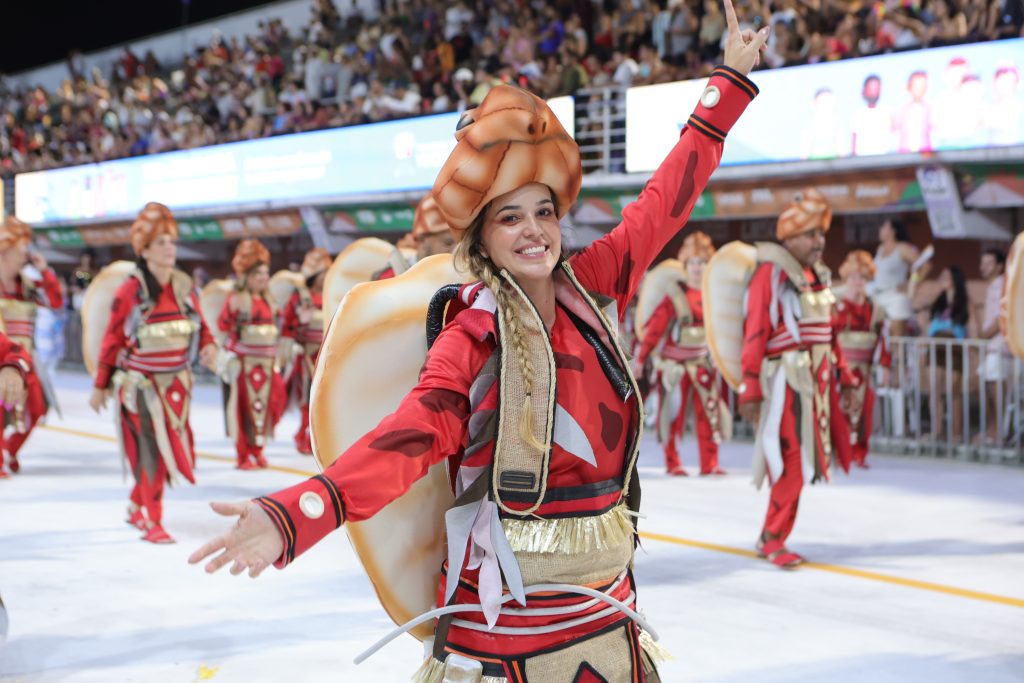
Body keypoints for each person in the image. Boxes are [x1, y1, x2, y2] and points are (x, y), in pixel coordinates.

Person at [190, 8, 767, 679]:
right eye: (510, 216)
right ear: (481, 238)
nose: (533, 231)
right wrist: (295, 515)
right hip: (507, 626)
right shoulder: (471, 329)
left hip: (610, 613)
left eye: (544, 211)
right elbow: (408, 437)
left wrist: (726, 81)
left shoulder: (594, 281)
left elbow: (667, 199)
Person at [736, 189, 859, 569]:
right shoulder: (771, 272)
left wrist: (847, 377)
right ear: (788, 236)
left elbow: (827, 334)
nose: (819, 241)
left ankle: (772, 534)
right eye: (810, 234)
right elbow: (756, 330)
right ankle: (773, 537)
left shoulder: (817, 274)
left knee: (801, 463)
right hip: (784, 385)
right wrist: (751, 384)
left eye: (821, 233)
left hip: (814, 386)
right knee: (789, 461)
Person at [88, 203, 218, 543]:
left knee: (167, 450)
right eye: (160, 242)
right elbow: (113, 338)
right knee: (152, 451)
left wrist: (209, 345)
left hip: (178, 384)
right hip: (142, 387)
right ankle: (152, 519)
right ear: (143, 249)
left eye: (172, 241)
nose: (169, 248)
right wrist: (100, 385)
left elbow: (202, 325)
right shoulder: (131, 290)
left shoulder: (184, 285)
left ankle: (136, 505)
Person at [636, 232, 729, 476]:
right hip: (674, 365)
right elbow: (655, 328)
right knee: (672, 415)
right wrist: (641, 359)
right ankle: (672, 461)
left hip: (702, 362)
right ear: (686, 266)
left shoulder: (714, 295)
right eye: (693, 263)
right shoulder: (675, 294)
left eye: (702, 262)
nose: (698, 267)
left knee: (709, 413)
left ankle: (710, 463)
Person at [0, 217, 64, 476]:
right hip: (1, 354)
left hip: (26, 357)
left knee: (37, 408)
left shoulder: (27, 284)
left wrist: (45, 271)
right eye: (19, 253)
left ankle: (9, 450)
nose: (23, 258)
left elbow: (56, 302)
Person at [218, 239, 286, 469]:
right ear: (247, 276)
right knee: (243, 410)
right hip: (244, 364)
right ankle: (243, 454)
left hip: (268, 363)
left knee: (271, 405)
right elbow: (223, 327)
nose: (263, 278)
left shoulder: (270, 300)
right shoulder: (236, 299)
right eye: (259, 274)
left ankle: (258, 449)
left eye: (266, 274)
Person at [832, 250, 891, 469]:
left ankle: (859, 452)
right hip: (840, 365)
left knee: (865, 409)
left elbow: (883, 338)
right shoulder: (835, 303)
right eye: (854, 277)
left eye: (863, 278)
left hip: (864, 369)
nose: (858, 282)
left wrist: (885, 365)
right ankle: (840, 451)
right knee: (839, 408)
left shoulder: (874, 308)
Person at [281, 247, 332, 455]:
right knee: (307, 400)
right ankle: (302, 435)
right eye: (323, 273)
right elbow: (288, 328)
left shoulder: (333, 295)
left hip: (326, 356)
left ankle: (315, 438)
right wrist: (301, 324)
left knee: (323, 401)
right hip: (306, 357)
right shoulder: (301, 297)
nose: (326, 277)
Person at [927, 265, 970, 441]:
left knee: (954, 390)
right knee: (934, 389)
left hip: (955, 347)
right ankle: (937, 431)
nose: (942, 279)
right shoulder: (938, 302)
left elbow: (971, 326)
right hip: (937, 347)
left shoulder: (965, 302)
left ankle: (957, 433)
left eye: (947, 276)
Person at [871, 218, 928, 338]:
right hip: (878, 295)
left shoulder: (903, 248)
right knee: (874, 333)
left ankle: (898, 356)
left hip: (896, 296)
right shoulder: (880, 249)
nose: (880, 230)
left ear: (893, 231)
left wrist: (911, 284)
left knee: (897, 338)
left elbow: (925, 266)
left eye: (884, 227)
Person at [976, 248, 1008, 445]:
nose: (983, 267)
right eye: (983, 263)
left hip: (1000, 346)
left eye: (988, 263)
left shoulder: (1003, 285)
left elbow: (1002, 315)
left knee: (997, 391)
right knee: (986, 388)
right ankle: (992, 430)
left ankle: (998, 433)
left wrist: (987, 334)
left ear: (999, 266)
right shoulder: (991, 286)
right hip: (990, 347)